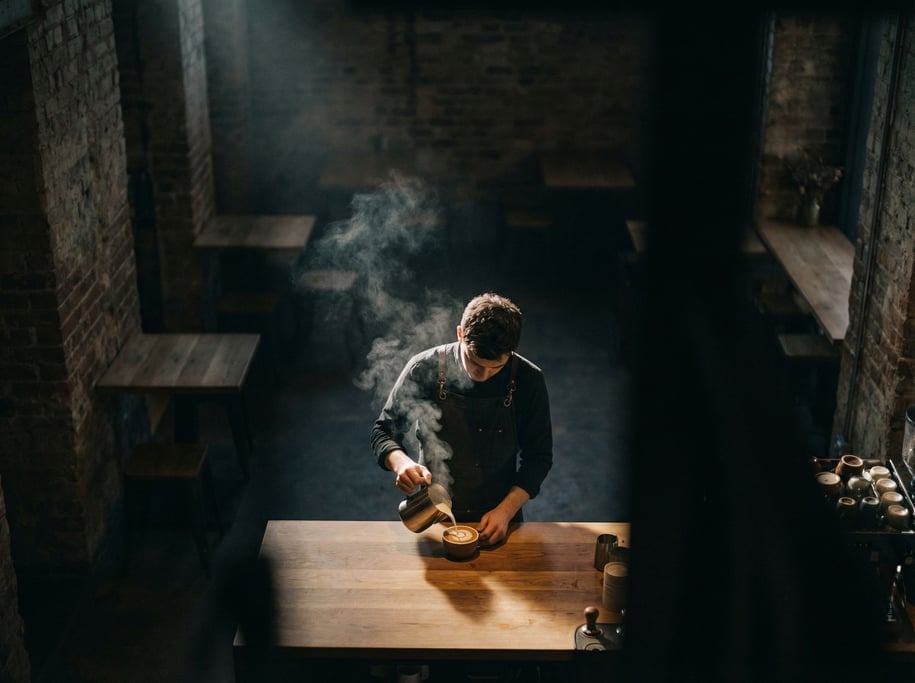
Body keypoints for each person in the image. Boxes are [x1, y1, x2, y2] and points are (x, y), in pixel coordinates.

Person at [371, 292, 553, 546]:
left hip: (500, 515)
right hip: (433, 512)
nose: (483, 376)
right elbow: (384, 431)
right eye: (475, 364)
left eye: (495, 368)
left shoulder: (529, 380)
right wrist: (401, 464)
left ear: (512, 351)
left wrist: (506, 511)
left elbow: (538, 458)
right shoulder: (424, 368)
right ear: (460, 334)